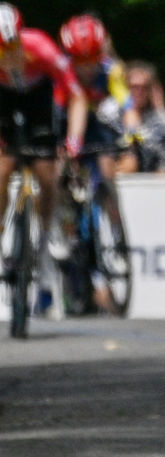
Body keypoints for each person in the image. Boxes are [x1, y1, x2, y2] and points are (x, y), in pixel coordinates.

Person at [0, 2, 88, 315]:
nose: (7, 55)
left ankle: (46, 228)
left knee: (46, 171)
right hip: (4, 102)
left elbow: (76, 95)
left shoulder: (41, 47)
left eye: (11, 47)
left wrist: (74, 140)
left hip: (37, 102)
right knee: (3, 166)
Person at [58, 13, 132, 314]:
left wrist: (133, 132)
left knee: (106, 167)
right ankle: (65, 221)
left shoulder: (112, 70)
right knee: (59, 166)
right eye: (80, 60)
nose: (87, 67)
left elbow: (126, 105)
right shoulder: (62, 71)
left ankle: (114, 228)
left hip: (98, 125)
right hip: (66, 122)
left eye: (93, 59)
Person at [121, 61, 165, 174]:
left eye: (144, 87)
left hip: (153, 180)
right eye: (134, 87)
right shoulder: (112, 114)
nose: (139, 92)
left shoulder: (156, 118)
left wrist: (161, 108)